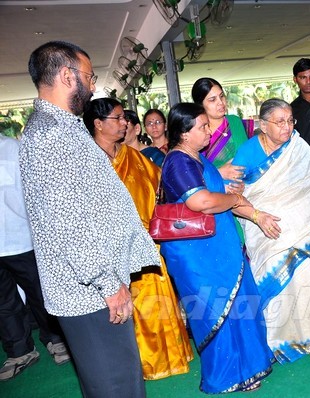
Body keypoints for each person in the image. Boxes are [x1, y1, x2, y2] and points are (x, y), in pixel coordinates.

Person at [19, 41, 159, 397]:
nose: (93, 85)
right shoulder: (50, 135)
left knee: (117, 378)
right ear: (67, 76)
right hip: (89, 291)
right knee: (115, 384)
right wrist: (107, 284)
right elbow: (69, 222)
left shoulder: (62, 127)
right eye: (89, 76)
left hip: (95, 285)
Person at [232, 98, 310, 363]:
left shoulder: (297, 147)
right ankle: (274, 342)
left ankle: (307, 338)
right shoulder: (247, 153)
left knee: (304, 266)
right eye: (280, 122)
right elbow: (231, 196)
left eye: (290, 120)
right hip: (264, 227)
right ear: (263, 125)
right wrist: (259, 218)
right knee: (273, 268)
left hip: (301, 227)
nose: (287, 127)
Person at [160, 102, 275, 393]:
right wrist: (234, 201)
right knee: (215, 310)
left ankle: (249, 367)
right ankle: (226, 376)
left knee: (239, 303)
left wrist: (257, 215)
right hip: (196, 255)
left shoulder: (195, 157)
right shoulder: (178, 162)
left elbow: (220, 193)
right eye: (202, 126)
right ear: (184, 133)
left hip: (217, 247)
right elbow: (202, 202)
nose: (209, 130)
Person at [83, 98, 194, 380]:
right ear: (98, 124)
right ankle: (144, 364)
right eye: (118, 119)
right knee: (133, 306)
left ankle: (173, 358)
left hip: (148, 242)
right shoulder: (87, 161)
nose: (125, 123)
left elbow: (160, 184)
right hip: (112, 251)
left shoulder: (132, 156)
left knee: (159, 299)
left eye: (124, 118)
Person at [0, 135, 70, 381]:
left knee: (39, 292)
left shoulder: (13, 148)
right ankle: (20, 351)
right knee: (3, 302)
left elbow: (34, 194)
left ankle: (56, 339)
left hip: (22, 238)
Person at [191, 77, 248, 186]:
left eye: (221, 96)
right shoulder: (197, 133)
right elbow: (192, 176)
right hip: (216, 193)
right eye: (212, 99)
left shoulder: (235, 122)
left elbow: (249, 155)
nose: (221, 103)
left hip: (248, 186)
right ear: (200, 104)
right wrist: (219, 173)